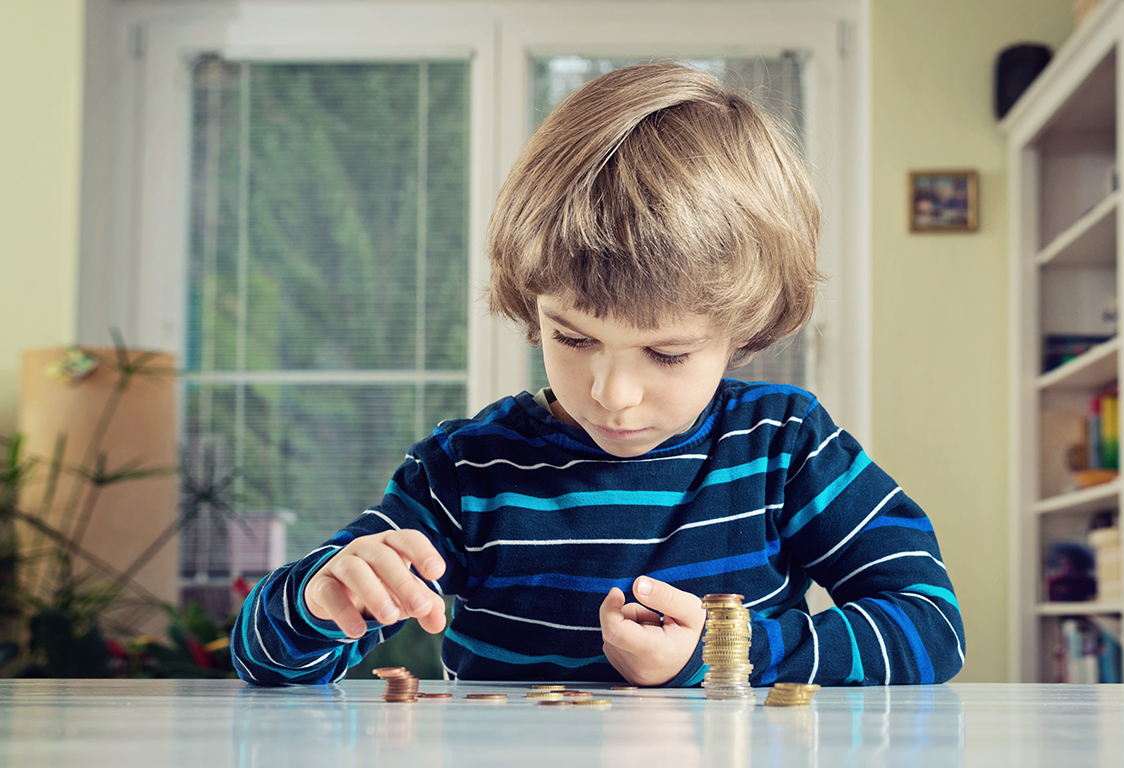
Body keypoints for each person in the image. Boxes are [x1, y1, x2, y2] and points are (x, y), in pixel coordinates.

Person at [231, 61, 964, 687]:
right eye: (573, 337)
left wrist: (725, 654)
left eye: (667, 354)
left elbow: (930, 626)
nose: (612, 395)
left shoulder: (784, 444)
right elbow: (268, 664)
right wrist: (315, 601)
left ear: (742, 330)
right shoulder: (468, 470)